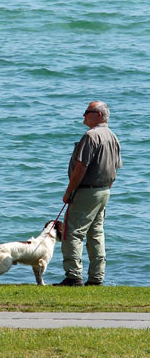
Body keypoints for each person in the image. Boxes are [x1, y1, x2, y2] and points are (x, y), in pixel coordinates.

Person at [55, 101, 121, 286]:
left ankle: (73, 276)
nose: (83, 115)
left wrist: (69, 191)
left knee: (73, 232)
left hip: (87, 191)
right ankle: (96, 277)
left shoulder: (91, 136)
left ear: (98, 115)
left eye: (87, 112)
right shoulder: (112, 136)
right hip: (104, 191)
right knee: (96, 234)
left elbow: (80, 168)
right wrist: (106, 188)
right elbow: (115, 169)